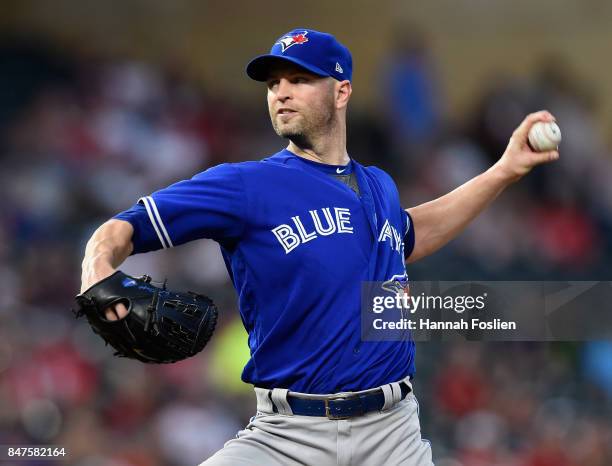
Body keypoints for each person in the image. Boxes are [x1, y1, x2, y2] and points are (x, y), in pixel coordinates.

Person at [80, 28, 559, 466]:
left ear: (342, 90)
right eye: (273, 84)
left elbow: (413, 234)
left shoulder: (378, 186)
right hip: (286, 436)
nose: (281, 92)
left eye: (299, 79)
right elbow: (122, 229)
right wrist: (97, 270)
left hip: (393, 436)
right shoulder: (246, 185)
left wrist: (505, 170)